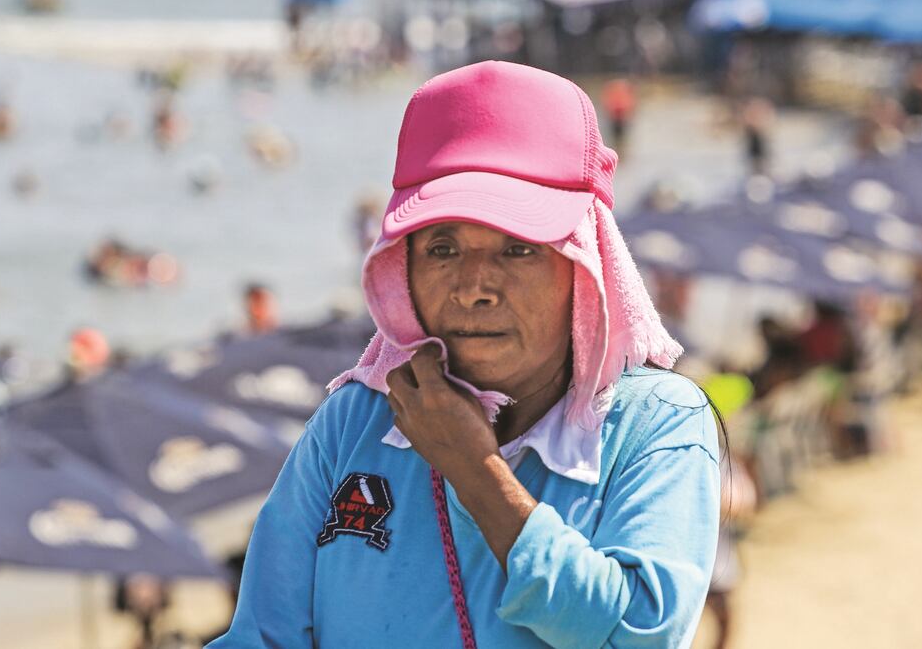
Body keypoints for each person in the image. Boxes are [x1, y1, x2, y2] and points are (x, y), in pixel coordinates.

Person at [207, 61, 721, 648]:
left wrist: (477, 473)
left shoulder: (655, 423)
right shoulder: (354, 422)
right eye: (442, 247)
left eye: (520, 248)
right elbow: (261, 635)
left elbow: (638, 636)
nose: (474, 286)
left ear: (585, 266)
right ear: (401, 269)